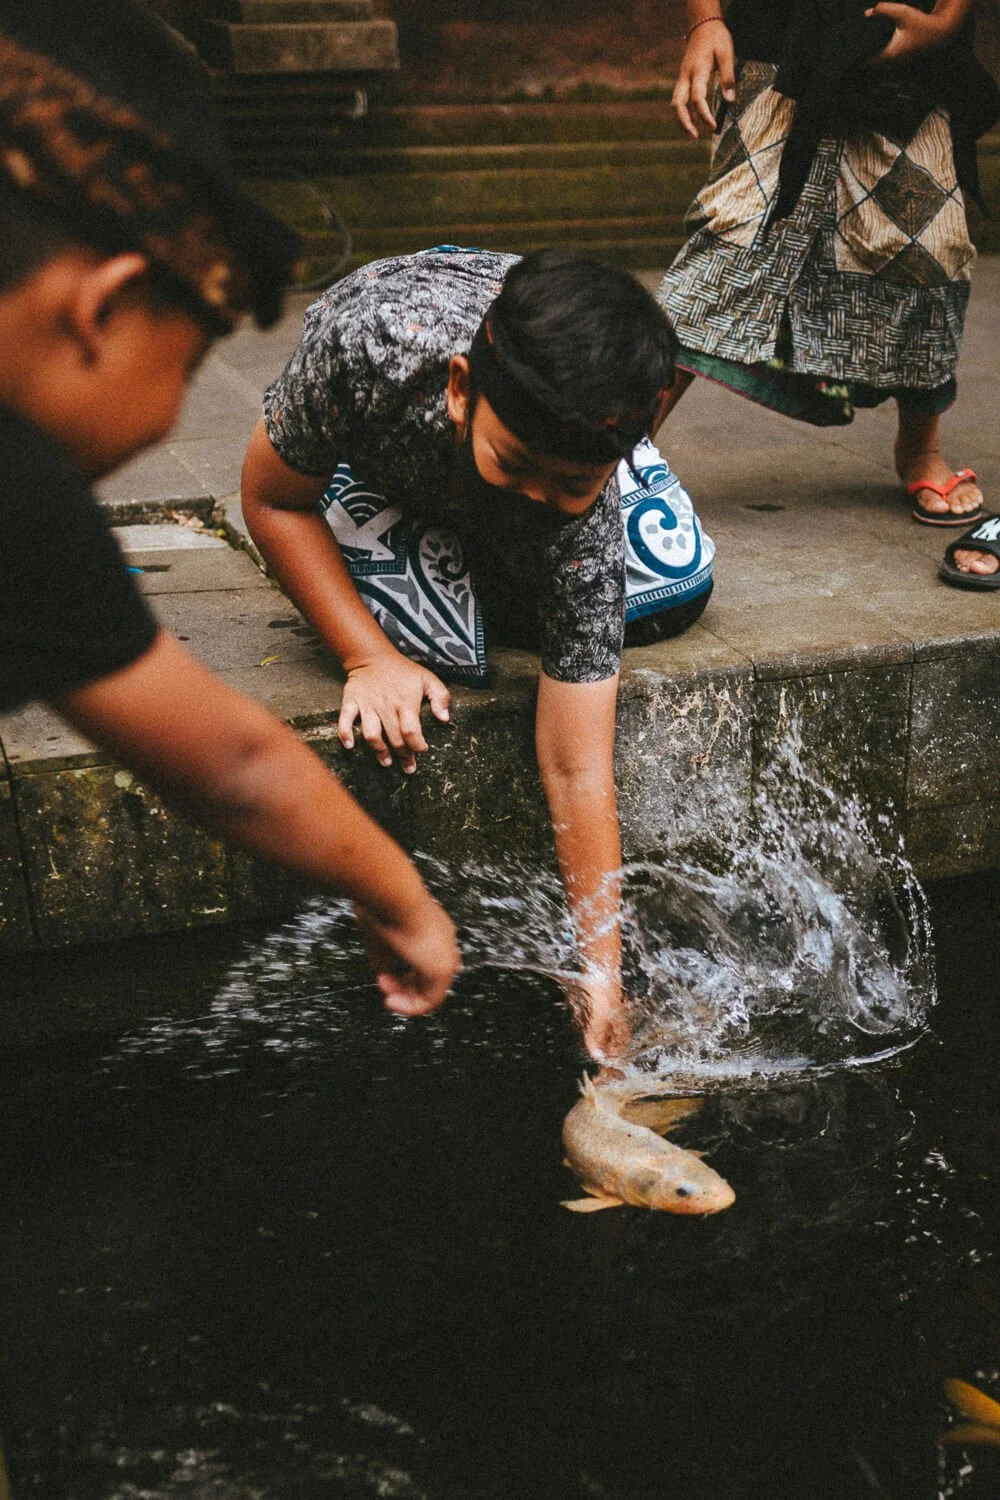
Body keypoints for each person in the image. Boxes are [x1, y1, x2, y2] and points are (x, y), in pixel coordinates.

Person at [0, 0, 459, 1016]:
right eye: (191, 357)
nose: (175, 415)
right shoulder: (18, 498)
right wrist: (405, 903)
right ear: (107, 305)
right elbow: (237, 766)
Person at [241, 247, 695, 1060]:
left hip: (549, 457)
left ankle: (582, 481)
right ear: (460, 388)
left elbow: (575, 763)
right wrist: (366, 658)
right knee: (441, 641)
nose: (539, 496)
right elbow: (272, 497)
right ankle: (462, 513)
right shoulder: (369, 348)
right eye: (517, 464)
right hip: (387, 464)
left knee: (677, 581)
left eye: (573, 483)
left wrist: (601, 974)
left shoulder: (583, 522)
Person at [661, 0, 1000, 567]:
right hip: (782, 47)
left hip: (908, 54)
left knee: (928, 251)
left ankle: (921, 445)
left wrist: (947, 22)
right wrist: (704, 20)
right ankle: (615, 450)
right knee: (731, 242)